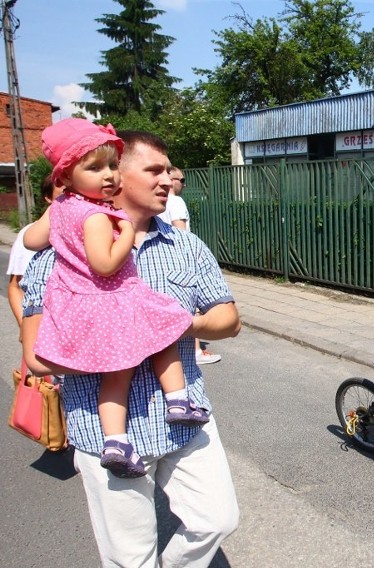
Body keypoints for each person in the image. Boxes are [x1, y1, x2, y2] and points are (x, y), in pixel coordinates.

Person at [20, 129, 241, 566]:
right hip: (107, 435)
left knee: (217, 520)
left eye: (169, 170)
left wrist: (169, 326)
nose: (169, 179)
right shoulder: (59, 257)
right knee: (130, 558)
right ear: (115, 177)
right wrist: (116, 346)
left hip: (183, 418)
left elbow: (228, 320)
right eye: (155, 170)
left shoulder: (185, 246)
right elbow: (35, 357)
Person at [23, 118, 208, 479]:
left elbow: (31, 240)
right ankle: (178, 400)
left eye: (111, 166)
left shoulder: (60, 209)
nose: (108, 175)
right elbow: (106, 264)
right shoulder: (99, 217)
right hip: (113, 298)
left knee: (117, 378)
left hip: (77, 303)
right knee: (166, 330)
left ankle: (116, 441)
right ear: (65, 176)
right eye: (95, 168)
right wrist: (122, 231)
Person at [158, 165, 223, 366]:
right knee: (190, 307)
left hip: (163, 259)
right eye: (182, 180)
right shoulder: (175, 201)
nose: (183, 185)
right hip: (178, 263)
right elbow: (181, 232)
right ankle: (195, 351)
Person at [6, 175, 62, 337]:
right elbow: (15, 287)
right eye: (63, 190)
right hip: (41, 326)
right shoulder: (31, 234)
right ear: (48, 198)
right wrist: (25, 327)